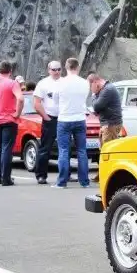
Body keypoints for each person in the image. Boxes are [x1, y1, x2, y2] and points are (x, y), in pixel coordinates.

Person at [52, 57, 90, 188]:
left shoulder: (60, 83)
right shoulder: (85, 82)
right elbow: (85, 98)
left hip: (64, 119)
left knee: (63, 150)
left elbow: (55, 100)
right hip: (80, 118)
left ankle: (62, 182)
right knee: (82, 151)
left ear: (66, 67)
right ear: (78, 67)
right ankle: (84, 182)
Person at [0, 61, 24, 186]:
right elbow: (20, 98)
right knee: (7, 148)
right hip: (9, 119)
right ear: (10, 71)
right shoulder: (12, 83)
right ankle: (6, 178)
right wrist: (17, 113)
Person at [87, 72, 123, 182]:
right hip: (107, 124)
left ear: (95, 82)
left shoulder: (108, 90)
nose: (91, 90)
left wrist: (94, 96)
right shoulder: (104, 90)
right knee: (104, 151)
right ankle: (102, 174)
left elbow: (97, 106)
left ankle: (108, 177)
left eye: (91, 87)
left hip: (110, 125)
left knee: (108, 152)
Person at [32, 60, 62, 184]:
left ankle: (65, 174)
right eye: (54, 69)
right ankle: (41, 175)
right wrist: (46, 117)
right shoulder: (43, 84)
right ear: (49, 70)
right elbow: (36, 103)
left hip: (63, 118)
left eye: (59, 69)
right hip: (50, 118)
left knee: (65, 148)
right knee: (45, 148)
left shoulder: (65, 82)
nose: (57, 72)